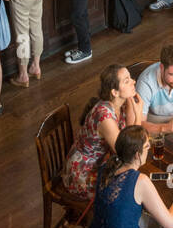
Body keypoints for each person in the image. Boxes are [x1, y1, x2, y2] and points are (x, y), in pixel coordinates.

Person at [61, 65, 143, 200]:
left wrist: (132, 108)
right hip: (82, 173)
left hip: (103, 164)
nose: (134, 81)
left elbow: (130, 137)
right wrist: (138, 114)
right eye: (126, 81)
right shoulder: (105, 116)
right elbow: (128, 153)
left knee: (133, 179)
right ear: (115, 92)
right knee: (127, 190)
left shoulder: (119, 104)